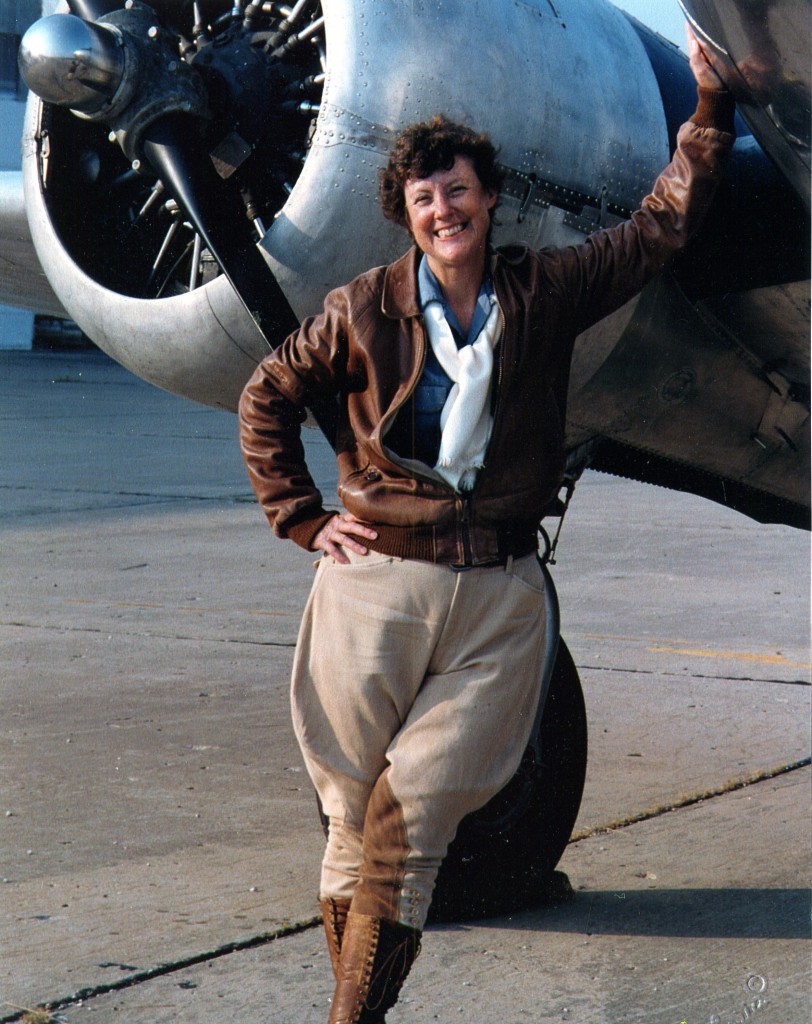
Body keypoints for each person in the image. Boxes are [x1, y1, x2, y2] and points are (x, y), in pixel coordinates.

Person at [238, 27, 734, 1024]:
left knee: (404, 826)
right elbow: (266, 395)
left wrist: (710, 115)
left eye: (458, 191)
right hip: (371, 584)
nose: (444, 209)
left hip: (497, 597)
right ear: (405, 212)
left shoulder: (541, 294)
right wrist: (298, 515)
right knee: (348, 824)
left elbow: (657, 229)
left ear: (488, 197)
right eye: (424, 197)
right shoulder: (358, 309)